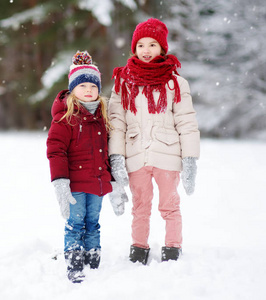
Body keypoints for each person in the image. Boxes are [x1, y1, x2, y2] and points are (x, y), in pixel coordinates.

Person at [108, 18, 200, 265]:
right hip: (136, 155)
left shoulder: (175, 83)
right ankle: (138, 248)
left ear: (162, 48)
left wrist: (190, 158)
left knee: (169, 205)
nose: (146, 50)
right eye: (140, 45)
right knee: (140, 206)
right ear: (133, 49)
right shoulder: (123, 83)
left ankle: (172, 249)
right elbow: (117, 123)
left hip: (167, 155)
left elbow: (187, 123)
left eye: (152, 44)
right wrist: (116, 156)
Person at [47, 51, 128, 283]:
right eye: (82, 85)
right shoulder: (65, 118)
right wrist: (61, 182)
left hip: (97, 184)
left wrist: (113, 182)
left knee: (93, 223)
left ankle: (93, 261)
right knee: (75, 224)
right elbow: (55, 151)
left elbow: (107, 153)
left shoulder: (103, 118)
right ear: (73, 89)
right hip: (74, 184)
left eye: (93, 86)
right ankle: (74, 264)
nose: (88, 90)